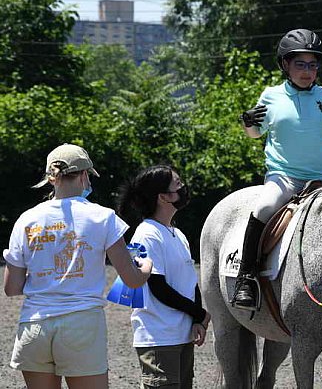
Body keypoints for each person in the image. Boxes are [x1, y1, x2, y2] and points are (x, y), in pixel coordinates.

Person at [3, 143, 153, 389]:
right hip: (81, 324)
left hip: (34, 325)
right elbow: (133, 280)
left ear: (52, 178)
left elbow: (11, 288)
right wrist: (146, 266)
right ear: (84, 176)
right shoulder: (103, 217)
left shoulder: (26, 219)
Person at [232, 28, 322, 311]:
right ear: (286, 65)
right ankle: (246, 278)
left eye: (313, 65)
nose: (307, 71)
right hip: (285, 177)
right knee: (263, 208)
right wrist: (248, 122)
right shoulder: (271, 96)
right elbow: (254, 134)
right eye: (300, 64)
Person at [117, 165, 211, 389]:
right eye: (178, 185)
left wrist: (197, 320)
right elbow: (158, 288)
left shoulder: (177, 233)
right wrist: (199, 313)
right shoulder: (146, 233)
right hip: (158, 337)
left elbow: (189, 281)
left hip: (182, 335)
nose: (183, 188)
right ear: (162, 197)